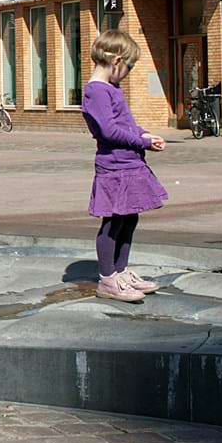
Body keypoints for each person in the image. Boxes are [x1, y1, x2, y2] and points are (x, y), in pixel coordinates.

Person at [80, 29, 168, 303]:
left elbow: (125, 124)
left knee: (129, 217)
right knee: (114, 221)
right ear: (117, 60)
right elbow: (109, 131)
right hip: (115, 166)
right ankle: (108, 279)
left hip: (128, 163)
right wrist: (140, 141)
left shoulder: (111, 89)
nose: (129, 72)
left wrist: (145, 134)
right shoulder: (96, 92)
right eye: (129, 66)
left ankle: (120, 272)